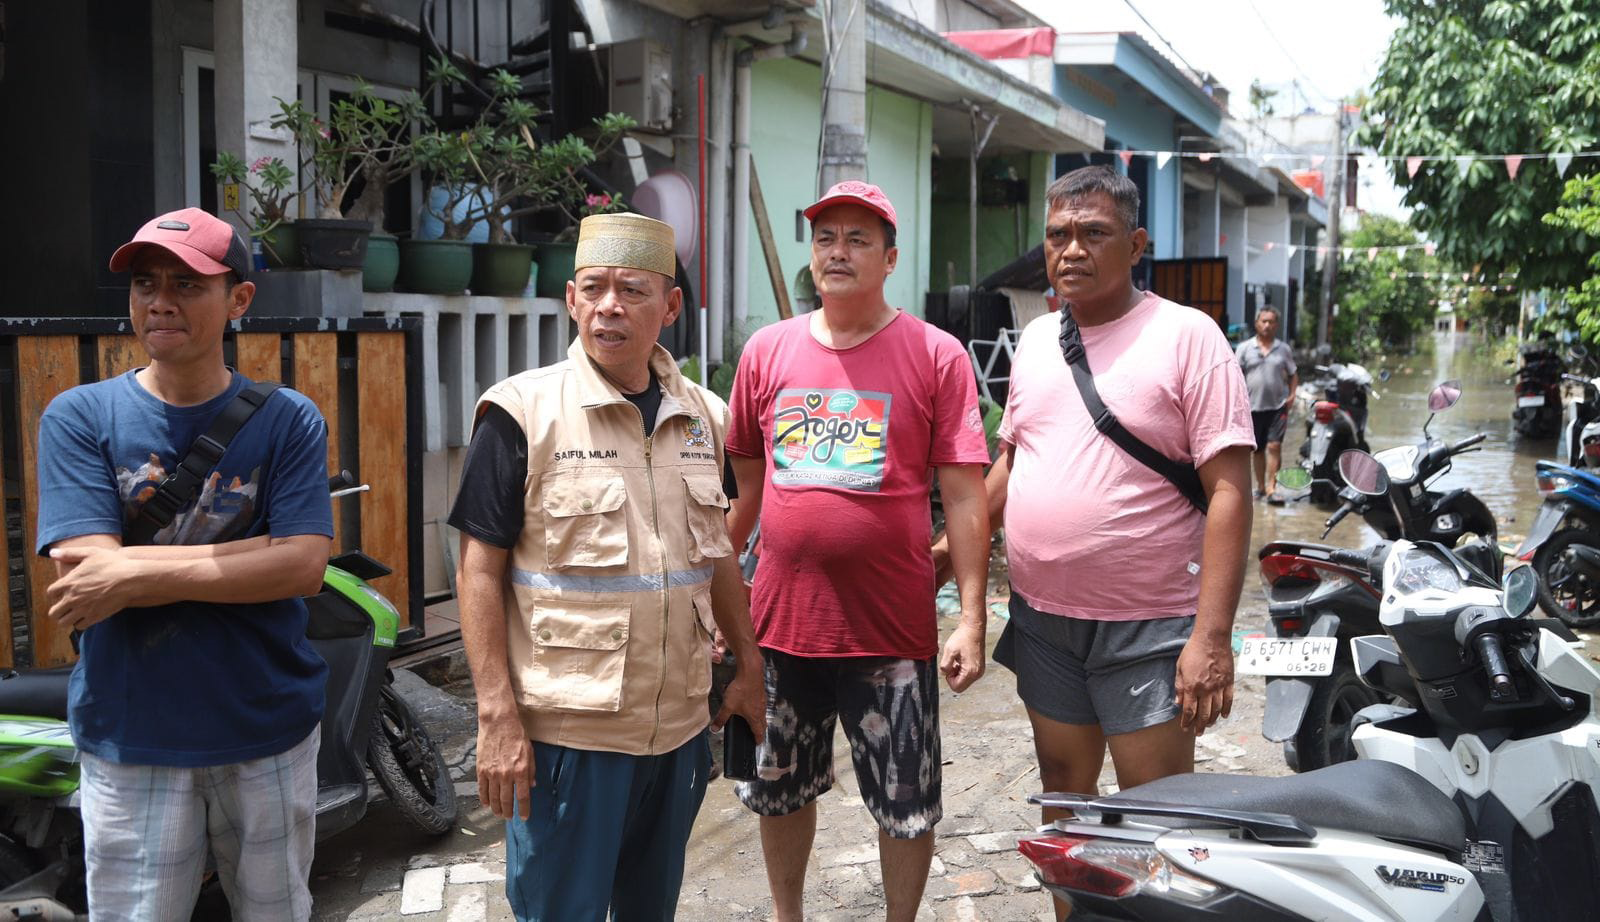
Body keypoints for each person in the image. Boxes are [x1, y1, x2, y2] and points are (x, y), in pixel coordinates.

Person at [939, 166, 1253, 920]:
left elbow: (1231, 491)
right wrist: (945, 556)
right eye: (1057, 236)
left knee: (1154, 819)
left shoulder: (1188, 336)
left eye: (1093, 233)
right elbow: (1016, 460)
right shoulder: (1041, 339)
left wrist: (1211, 638)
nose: (1071, 250)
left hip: (1150, 627)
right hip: (1046, 621)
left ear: (1136, 244)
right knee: (1067, 810)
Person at [449, 212, 766, 921]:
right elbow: (477, 572)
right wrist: (496, 715)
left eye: (632, 289)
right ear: (571, 300)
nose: (609, 306)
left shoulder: (703, 419)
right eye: (593, 288)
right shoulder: (521, 413)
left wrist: (748, 665)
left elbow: (717, 557)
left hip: (680, 733)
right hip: (569, 740)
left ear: (672, 305)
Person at [36, 207, 333, 921]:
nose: (160, 301)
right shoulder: (79, 417)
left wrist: (134, 572)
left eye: (187, 283)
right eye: (145, 283)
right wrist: (255, 552)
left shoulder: (287, 419)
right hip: (132, 731)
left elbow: (302, 568)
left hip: (268, 728)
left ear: (239, 300)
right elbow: (85, 575)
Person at [724, 181, 992, 922]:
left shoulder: (935, 356)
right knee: (777, 790)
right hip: (779, 626)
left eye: (858, 239)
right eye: (826, 238)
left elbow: (965, 496)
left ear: (890, 258)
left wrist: (971, 616)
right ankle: (788, 917)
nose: (837, 252)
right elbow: (744, 492)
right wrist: (717, 602)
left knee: (905, 802)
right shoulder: (766, 352)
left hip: (891, 630)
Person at [1236, 305, 1298, 503]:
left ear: (1277, 325)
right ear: (1256, 323)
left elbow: (1293, 374)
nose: (1267, 325)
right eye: (1264, 321)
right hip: (1251, 407)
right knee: (1258, 449)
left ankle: (1272, 488)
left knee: (1274, 446)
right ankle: (1261, 487)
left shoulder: (1283, 349)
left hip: (1277, 406)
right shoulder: (1244, 348)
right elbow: (1235, 375)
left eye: (1271, 322)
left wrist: (1292, 396)